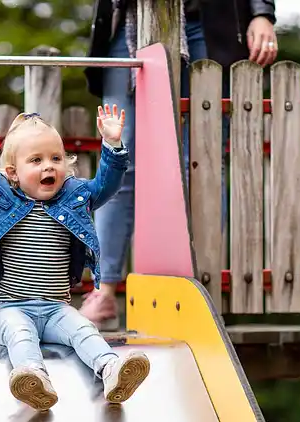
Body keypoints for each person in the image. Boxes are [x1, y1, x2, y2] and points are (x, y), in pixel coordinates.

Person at [0, 98, 150, 411]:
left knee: (83, 329)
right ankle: (34, 379)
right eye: (36, 160)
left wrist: (113, 145)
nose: (49, 165)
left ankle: (112, 371)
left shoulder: (75, 198)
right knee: (21, 335)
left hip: (55, 309)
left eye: (56, 158)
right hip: (8, 309)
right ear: (13, 172)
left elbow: (107, 185)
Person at [80, 0, 278, 328]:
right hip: (127, 22)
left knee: (202, 161)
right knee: (120, 157)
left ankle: (200, 286)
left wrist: (261, 14)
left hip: (204, 22)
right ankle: (104, 288)